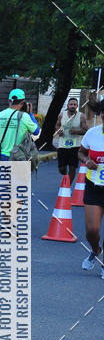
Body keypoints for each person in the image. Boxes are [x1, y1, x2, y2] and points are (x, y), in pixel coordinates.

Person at [78, 115, 104, 279]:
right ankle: (96, 250)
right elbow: (81, 152)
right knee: (92, 231)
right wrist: (87, 161)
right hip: (94, 187)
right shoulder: (92, 133)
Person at [0, 88, 39, 159]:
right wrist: (30, 114)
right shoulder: (24, 116)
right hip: (18, 156)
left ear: (9, 101)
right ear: (22, 102)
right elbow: (36, 132)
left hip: (3, 156)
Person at [53, 97, 88, 186]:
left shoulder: (81, 116)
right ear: (68, 105)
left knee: (72, 167)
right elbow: (57, 126)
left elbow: (85, 130)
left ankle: (67, 186)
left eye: (74, 105)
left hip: (75, 145)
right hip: (62, 144)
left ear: (77, 106)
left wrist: (76, 131)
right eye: (71, 104)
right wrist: (58, 131)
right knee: (61, 168)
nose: (72, 106)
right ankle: (65, 177)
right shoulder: (61, 115)